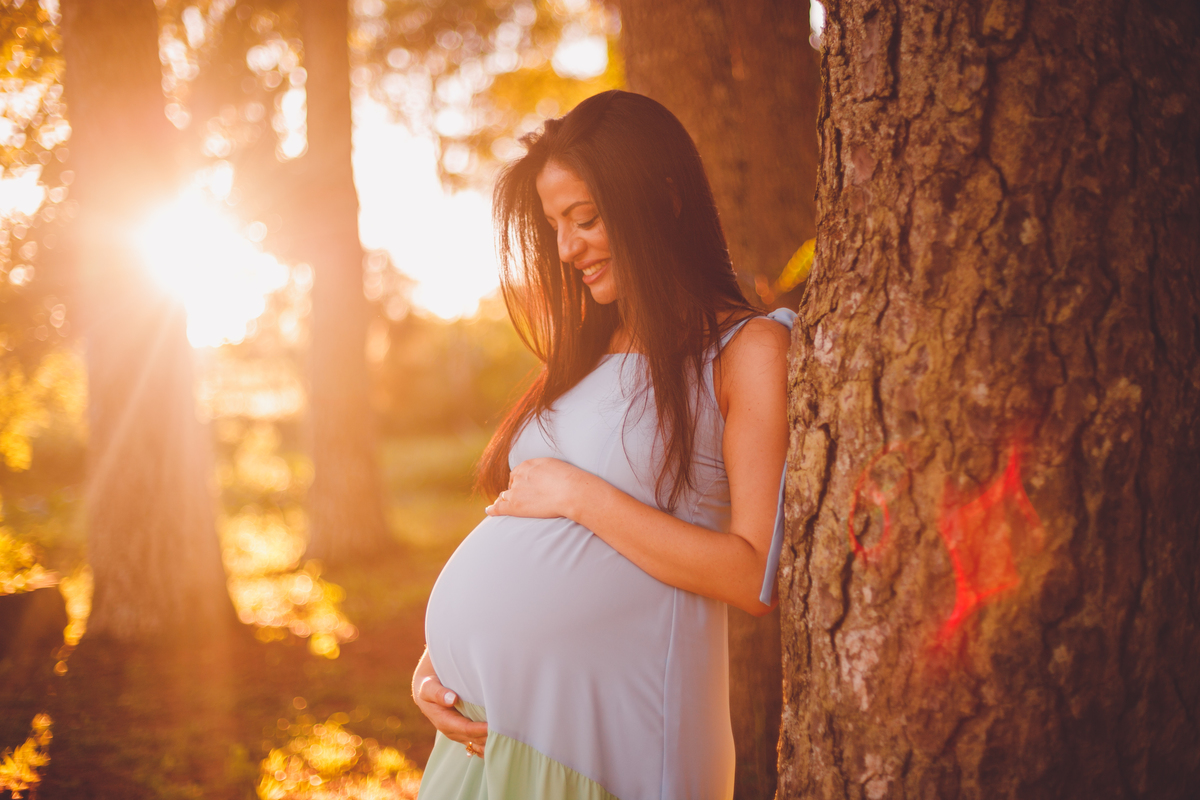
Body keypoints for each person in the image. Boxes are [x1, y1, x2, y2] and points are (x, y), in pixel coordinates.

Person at [412, 89, 792, 800]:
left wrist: (583, 498)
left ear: (664, 200)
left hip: (610, 754)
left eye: (584, 219)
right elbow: (525, 514)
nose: (567, 248)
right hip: (485, 739)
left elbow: (753, 576)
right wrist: (437, 664)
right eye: (556, 225)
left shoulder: (747, 351)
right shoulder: (586, 353)